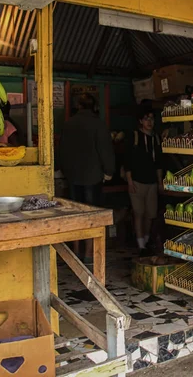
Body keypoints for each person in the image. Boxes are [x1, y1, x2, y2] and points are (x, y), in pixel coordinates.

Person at [59, 93, 115, 263]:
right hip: (92, 176)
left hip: (73, 176)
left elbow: (62, 150)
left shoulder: (68, 124)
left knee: (76, 213)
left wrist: (65, 171)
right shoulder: (98, 124)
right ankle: (89, 253)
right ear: (95, 107)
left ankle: (76, 251)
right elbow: (105, 150)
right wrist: (109, 172)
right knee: (92, 214)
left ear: (79, 107)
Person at [124, 107, 163, 256]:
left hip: (152, 182)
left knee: (150, 214)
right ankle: (141, 246)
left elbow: (159, 162)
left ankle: (145, 242)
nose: (150, 122)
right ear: (140, 121)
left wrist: (159, 182)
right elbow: (127, 160)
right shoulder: (134, 137)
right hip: (136, 182)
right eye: (146, 119)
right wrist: (129, 181)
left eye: (152, 119)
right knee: (138, 213)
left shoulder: (156, 138)